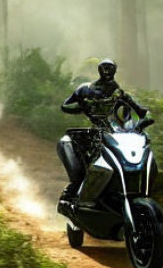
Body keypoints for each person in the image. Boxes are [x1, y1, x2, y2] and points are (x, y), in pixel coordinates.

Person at [58, 58, 150, 201]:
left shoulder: (118, 93)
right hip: (98, 133)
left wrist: (141, 121)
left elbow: (140, 111)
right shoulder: (84, 89)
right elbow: (65, 106)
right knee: (86, 160)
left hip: (116, 133)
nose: (107, 71)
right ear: (99, 69)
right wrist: (82, 107)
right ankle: (76, 189)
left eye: (110, 68)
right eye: (104, 67)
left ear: (115, 71)